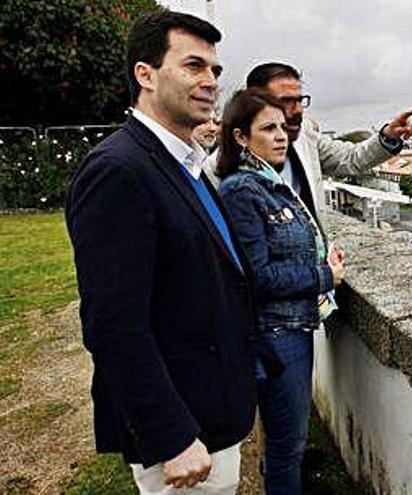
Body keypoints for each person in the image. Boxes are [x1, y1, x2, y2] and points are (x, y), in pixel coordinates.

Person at [65, 11, 256, 494]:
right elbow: (112, 324)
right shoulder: (118, 170)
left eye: (214, 69)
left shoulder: (182, 160)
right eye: (193, 65)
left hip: (210, 408)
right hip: (184, 433)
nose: (211, 80)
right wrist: (169, 435)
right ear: (145, 75)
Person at [216, 88, 344, 494]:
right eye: (267, 128)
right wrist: (324, 276)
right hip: (276, 335)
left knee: (287, 444)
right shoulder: (242, 191)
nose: (280, 136)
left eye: (282, 128)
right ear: (240, 137)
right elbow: (258, 278)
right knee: (288, 446)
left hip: (289, 330)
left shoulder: (267, 184)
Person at [236, 62, 412, 231]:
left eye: (300, 100)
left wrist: (388, 136)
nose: (298, 109)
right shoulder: (223, 167)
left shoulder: (305, 136)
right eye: (286, 101)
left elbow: (350, 159)